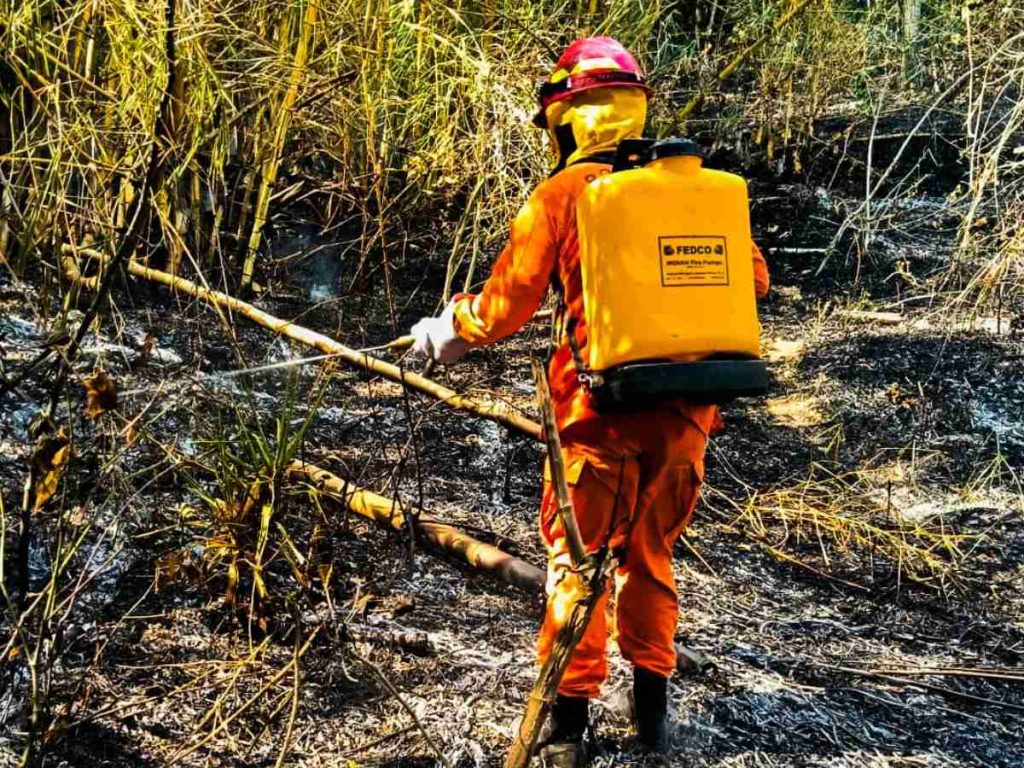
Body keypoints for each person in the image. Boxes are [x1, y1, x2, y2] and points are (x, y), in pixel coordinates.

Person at [411, 37, 770, 766]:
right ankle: (652, 718)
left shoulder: (559, 197)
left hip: (592, 420)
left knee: (578, 565)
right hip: (687, 417)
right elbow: (753, 282)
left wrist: (449, 328)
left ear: (566, 118)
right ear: (634, 108)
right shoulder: (696, 188)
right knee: (651, 557)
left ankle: (568, 731)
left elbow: (504, 307)